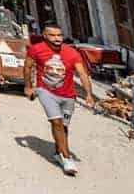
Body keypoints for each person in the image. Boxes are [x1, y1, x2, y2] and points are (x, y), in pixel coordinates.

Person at [24, 22, 95, 175]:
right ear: (45, 36)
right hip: (46, 91)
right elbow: (27, 67)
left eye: (59, 35)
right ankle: (66, 157)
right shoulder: (36, 49)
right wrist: (28, 87)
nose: (57, 38)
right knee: (56, 121)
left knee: (64, 125)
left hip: (68, 95)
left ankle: (58, 152)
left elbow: (82, 74)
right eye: (53, 35)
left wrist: (89, 94)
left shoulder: (72, 53)